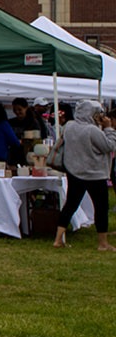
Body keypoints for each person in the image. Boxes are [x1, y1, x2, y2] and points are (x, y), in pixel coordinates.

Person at [53, 101, 116, 250]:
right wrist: (109, 129)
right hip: (95, 173)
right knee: (101, 207)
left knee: (70, 204)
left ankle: (58, 239)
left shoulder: (69, 126)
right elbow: (110, 146)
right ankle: (102, 243)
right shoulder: (92, 130)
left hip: (74, 171)